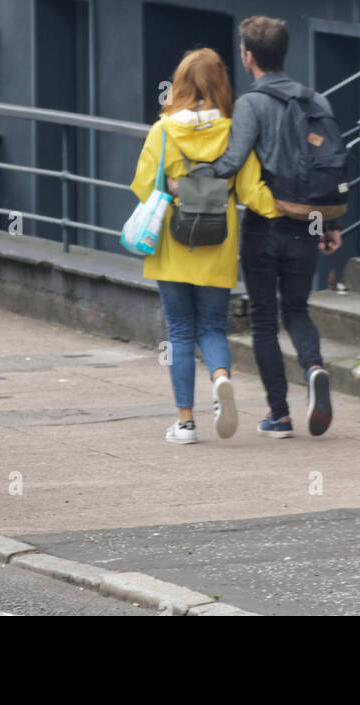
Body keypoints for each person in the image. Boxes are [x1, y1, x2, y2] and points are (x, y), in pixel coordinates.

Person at [130, 47, 276, 445]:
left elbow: (144, 186)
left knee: (179, 330)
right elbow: (249, 189)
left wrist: (178, 185)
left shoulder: (163, 131)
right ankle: (221, 378)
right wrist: (287, 211)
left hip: (173, 244)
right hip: (218, 241)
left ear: (178, 84)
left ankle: (185, 423)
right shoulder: (233, 130)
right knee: (212, 326)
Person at [211, 16, 341, 439]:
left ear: (248, 57)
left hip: (264, 227)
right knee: (298, 310)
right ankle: (315, 368)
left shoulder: (252, 103)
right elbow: (324, 170)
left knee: (265, 321)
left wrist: (190, 176)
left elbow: (232, 163)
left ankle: (280, 416)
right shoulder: (316, 100)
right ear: (283, 54)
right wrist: (329, 225)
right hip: (308, 222)